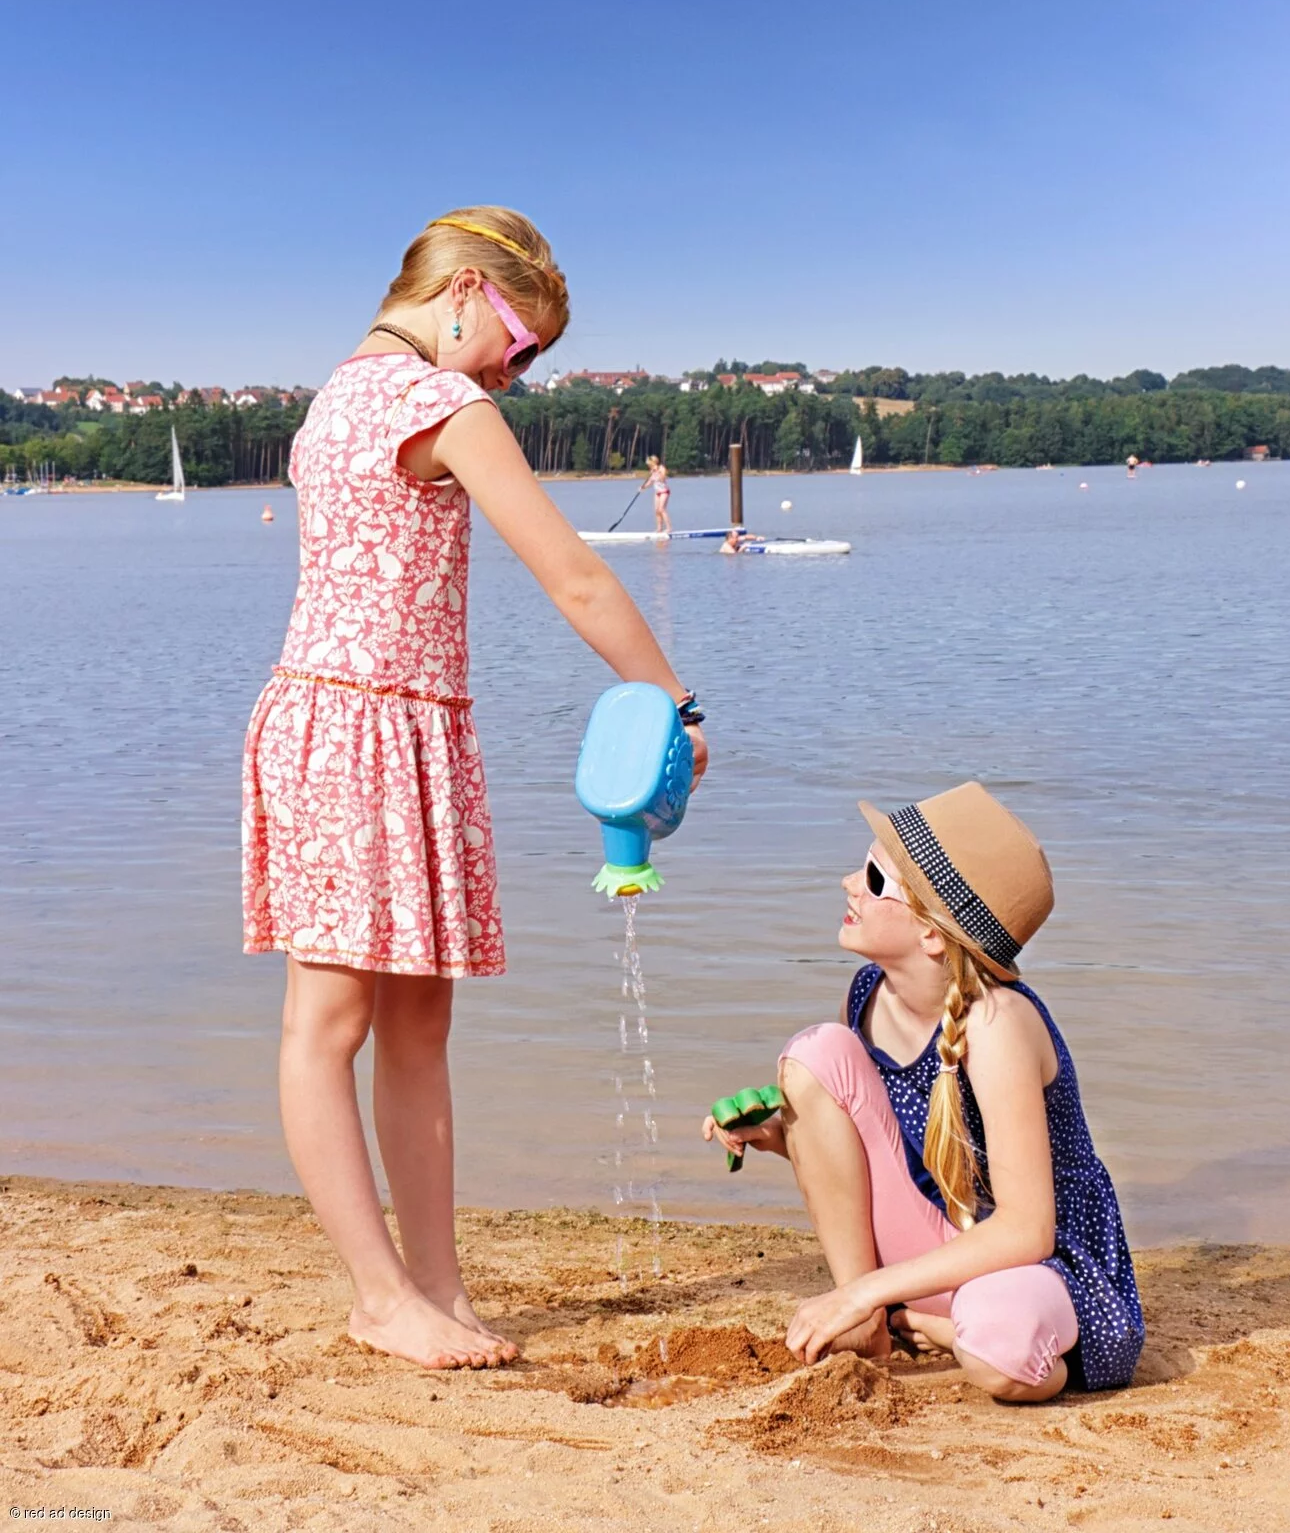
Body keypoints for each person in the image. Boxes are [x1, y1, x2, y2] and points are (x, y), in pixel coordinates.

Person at [243, 206, 708, 1374]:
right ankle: (380, 1294)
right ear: (459, 290)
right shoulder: (442, 402)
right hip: (364, 728)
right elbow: (575, 576)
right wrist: (674, 704)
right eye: (518, 339)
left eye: (532, 355)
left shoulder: (336, 393)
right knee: (333, 1024)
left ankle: (433, 1286)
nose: (519, 368)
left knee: (410, 1023)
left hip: (361, 723)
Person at [702, 783, 1143, 1401]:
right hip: (948, 1246)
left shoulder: (997, 1025)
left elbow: (1026, 1231)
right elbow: (885, 1156)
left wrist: (864, 1289)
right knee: (813, 1055)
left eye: (876, 879)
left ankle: (926, 1321)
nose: (848, 883)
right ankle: (872, 1329)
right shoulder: (868, 995)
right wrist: (780, 1135)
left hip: (1043, 1273)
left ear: (933, 935)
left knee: (1000, 1350)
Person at [641, 454, 671, 534]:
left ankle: (669, 528)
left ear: (653, 462)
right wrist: (643, 487)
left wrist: (657, 471)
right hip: (657, 492)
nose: (648, 466)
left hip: (664, 491)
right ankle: (659, 528)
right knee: (657, 511)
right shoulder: (651, 471)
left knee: (662, 509)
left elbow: (663, 479)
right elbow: (650, 482)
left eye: (649, 464)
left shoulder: (661, 468)